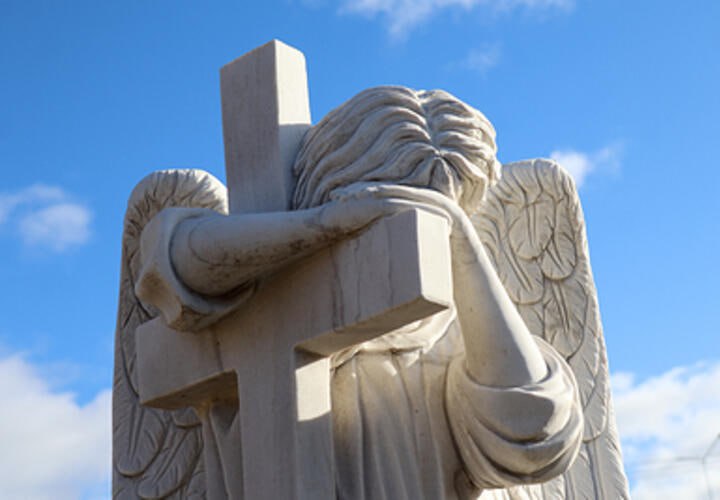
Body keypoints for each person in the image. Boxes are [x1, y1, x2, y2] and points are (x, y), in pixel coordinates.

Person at [137, 86, 582, 499]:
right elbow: (173, 263)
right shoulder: (255, 297)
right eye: (404, 216)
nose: (422, 239)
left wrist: (463, 245)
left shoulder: (462, 334)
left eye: (446, 214)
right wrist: (321, 226)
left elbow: (533, 435)